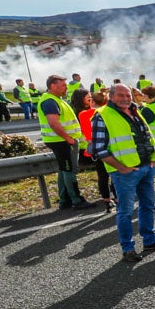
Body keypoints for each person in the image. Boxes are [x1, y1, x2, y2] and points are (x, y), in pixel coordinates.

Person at [91, 84, 155, 263]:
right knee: (126, 211)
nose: (126, 98)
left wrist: (153, 158)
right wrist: (121, 167)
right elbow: (98, 149)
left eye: (128, 95)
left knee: (148, 205)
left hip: (146, 167)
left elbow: (147, 136)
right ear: (111, 97)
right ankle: (127, 248)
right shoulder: (102, 115)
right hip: (125, 172)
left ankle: (150, 240)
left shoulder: (136, 110)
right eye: (121, 95)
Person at [37, 74, 94, 211]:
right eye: (63, 85)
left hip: (61, 140)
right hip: (62, 141)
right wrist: (68, 139)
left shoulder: (55, 99)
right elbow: (53, 123)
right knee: (70, 170)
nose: (66, 88)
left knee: (64, 169)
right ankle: (76, 200)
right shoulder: (50, 101)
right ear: (52, 86)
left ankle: (65, 200)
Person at [75, 89, 113, 212]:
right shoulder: (107, 113)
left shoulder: (83, 114)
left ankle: (107, 201)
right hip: (108, 146)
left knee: (102, 176)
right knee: (114, 174)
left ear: (92, 101)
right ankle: (117, 198)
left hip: (94, 148)